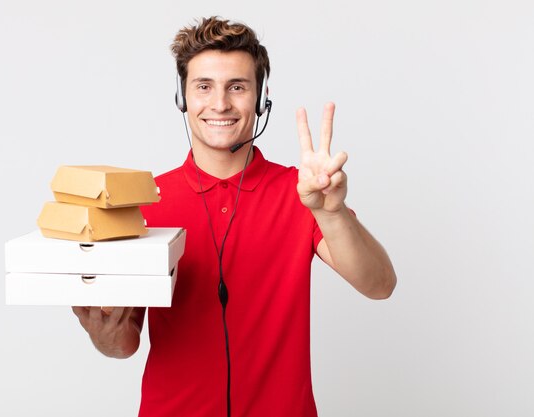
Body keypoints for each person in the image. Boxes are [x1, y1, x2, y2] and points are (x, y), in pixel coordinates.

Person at [72, 16, 396, 417]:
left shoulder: (304, 193)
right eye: (204, 86)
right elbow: (124, 342)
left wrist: (331, 213)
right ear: (182, 98)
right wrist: (102, 334)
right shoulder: (146, 201)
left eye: (237, 87)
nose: (220, 103)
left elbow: (380, 285)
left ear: (260, 100)